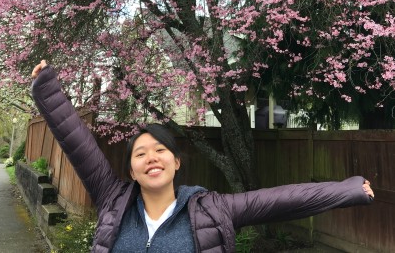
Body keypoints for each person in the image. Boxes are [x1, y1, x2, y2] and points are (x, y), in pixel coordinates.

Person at [31, 60, 374, 253]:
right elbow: (77, 142)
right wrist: (47, 88)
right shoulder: (112, 200)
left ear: (176, 162)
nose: (151, 157)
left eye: (161, 150)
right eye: (140, 153)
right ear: (131, 170)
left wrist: (348, 191)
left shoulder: (212, 209)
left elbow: (283, 200)